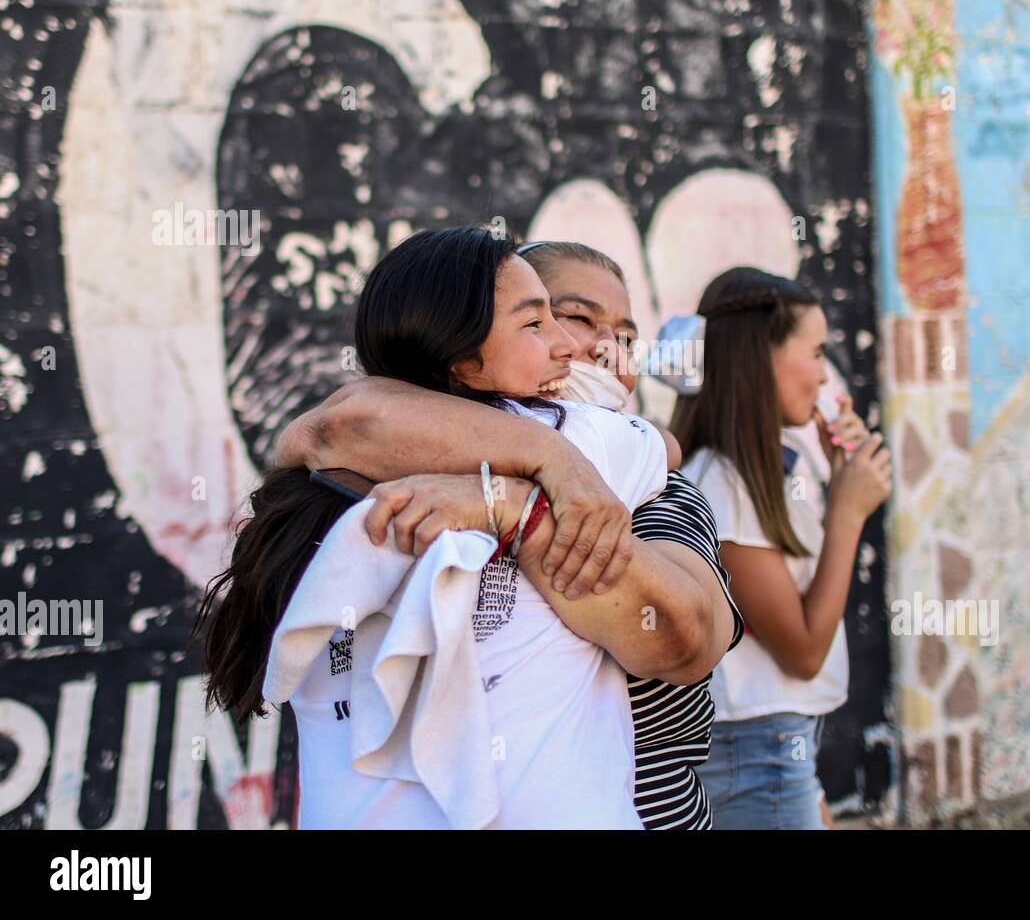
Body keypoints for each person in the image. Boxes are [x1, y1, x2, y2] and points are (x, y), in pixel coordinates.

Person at [197, 226, 728, 828]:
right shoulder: (581, 439)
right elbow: (663, 443)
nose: (586, 348)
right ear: (465, 356)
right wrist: (544, 469)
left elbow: (326, 429)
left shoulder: (332, 474)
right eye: (548, 320)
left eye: (627, 336)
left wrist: (509, 499)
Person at [671, 266, 892, 830]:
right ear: (760, 358)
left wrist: (840, 476)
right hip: (757, 750)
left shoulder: (757, 471)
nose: (825, 376)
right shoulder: (722, 482)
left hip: (776, 744)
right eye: (816, 353)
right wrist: (847, 514)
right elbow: (803, 650)